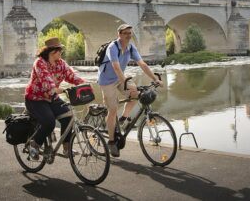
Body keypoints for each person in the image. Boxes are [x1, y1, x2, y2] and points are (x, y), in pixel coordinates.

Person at [97, 24, 162, 157]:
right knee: (112, 109)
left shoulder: (131, 47)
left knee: (137, 94)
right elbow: (115, 67)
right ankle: (111, 142)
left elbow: (142, 64)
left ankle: (124, 118)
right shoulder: (113, 47)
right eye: (126, 33)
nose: (128, 35)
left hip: (121, 78)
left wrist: (155, 79)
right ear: (119, 34)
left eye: (130, 33)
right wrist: (125, 82)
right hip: (107, 81)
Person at [24, 37, 85, 159]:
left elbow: (71, 76)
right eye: (60, 50)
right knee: (49, 122)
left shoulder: (61, 63)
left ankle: (67, 148)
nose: (61, 53)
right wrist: (61, 90)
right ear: (52, 52)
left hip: (52, 97)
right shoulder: (40, 63)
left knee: (68, 116)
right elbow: (47, 84)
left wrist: (84, 84)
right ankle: (34, 144)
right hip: (35, 99)